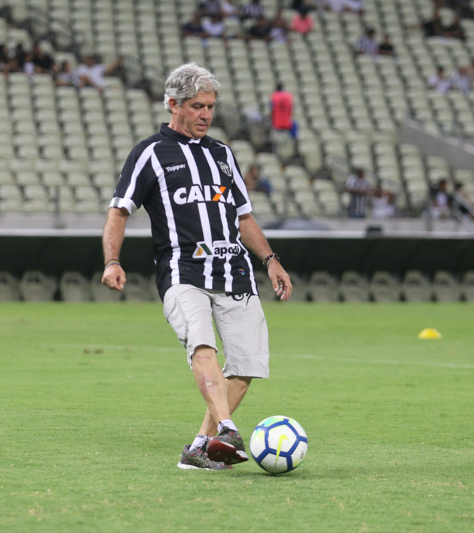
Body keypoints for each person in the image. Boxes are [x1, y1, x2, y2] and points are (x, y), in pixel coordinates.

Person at [101, 62, 292, 471]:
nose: (206, 114)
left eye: (211, 106)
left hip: (234, 272)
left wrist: (271, 261)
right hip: (182, 271)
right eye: (197, 106)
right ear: (173, 104)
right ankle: (227, 428)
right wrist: (112, 261)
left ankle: (200, 448)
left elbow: (243, 215)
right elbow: (119, 211)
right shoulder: (150, 153)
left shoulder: (222, 154)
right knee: (202, 346)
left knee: (247, 365)